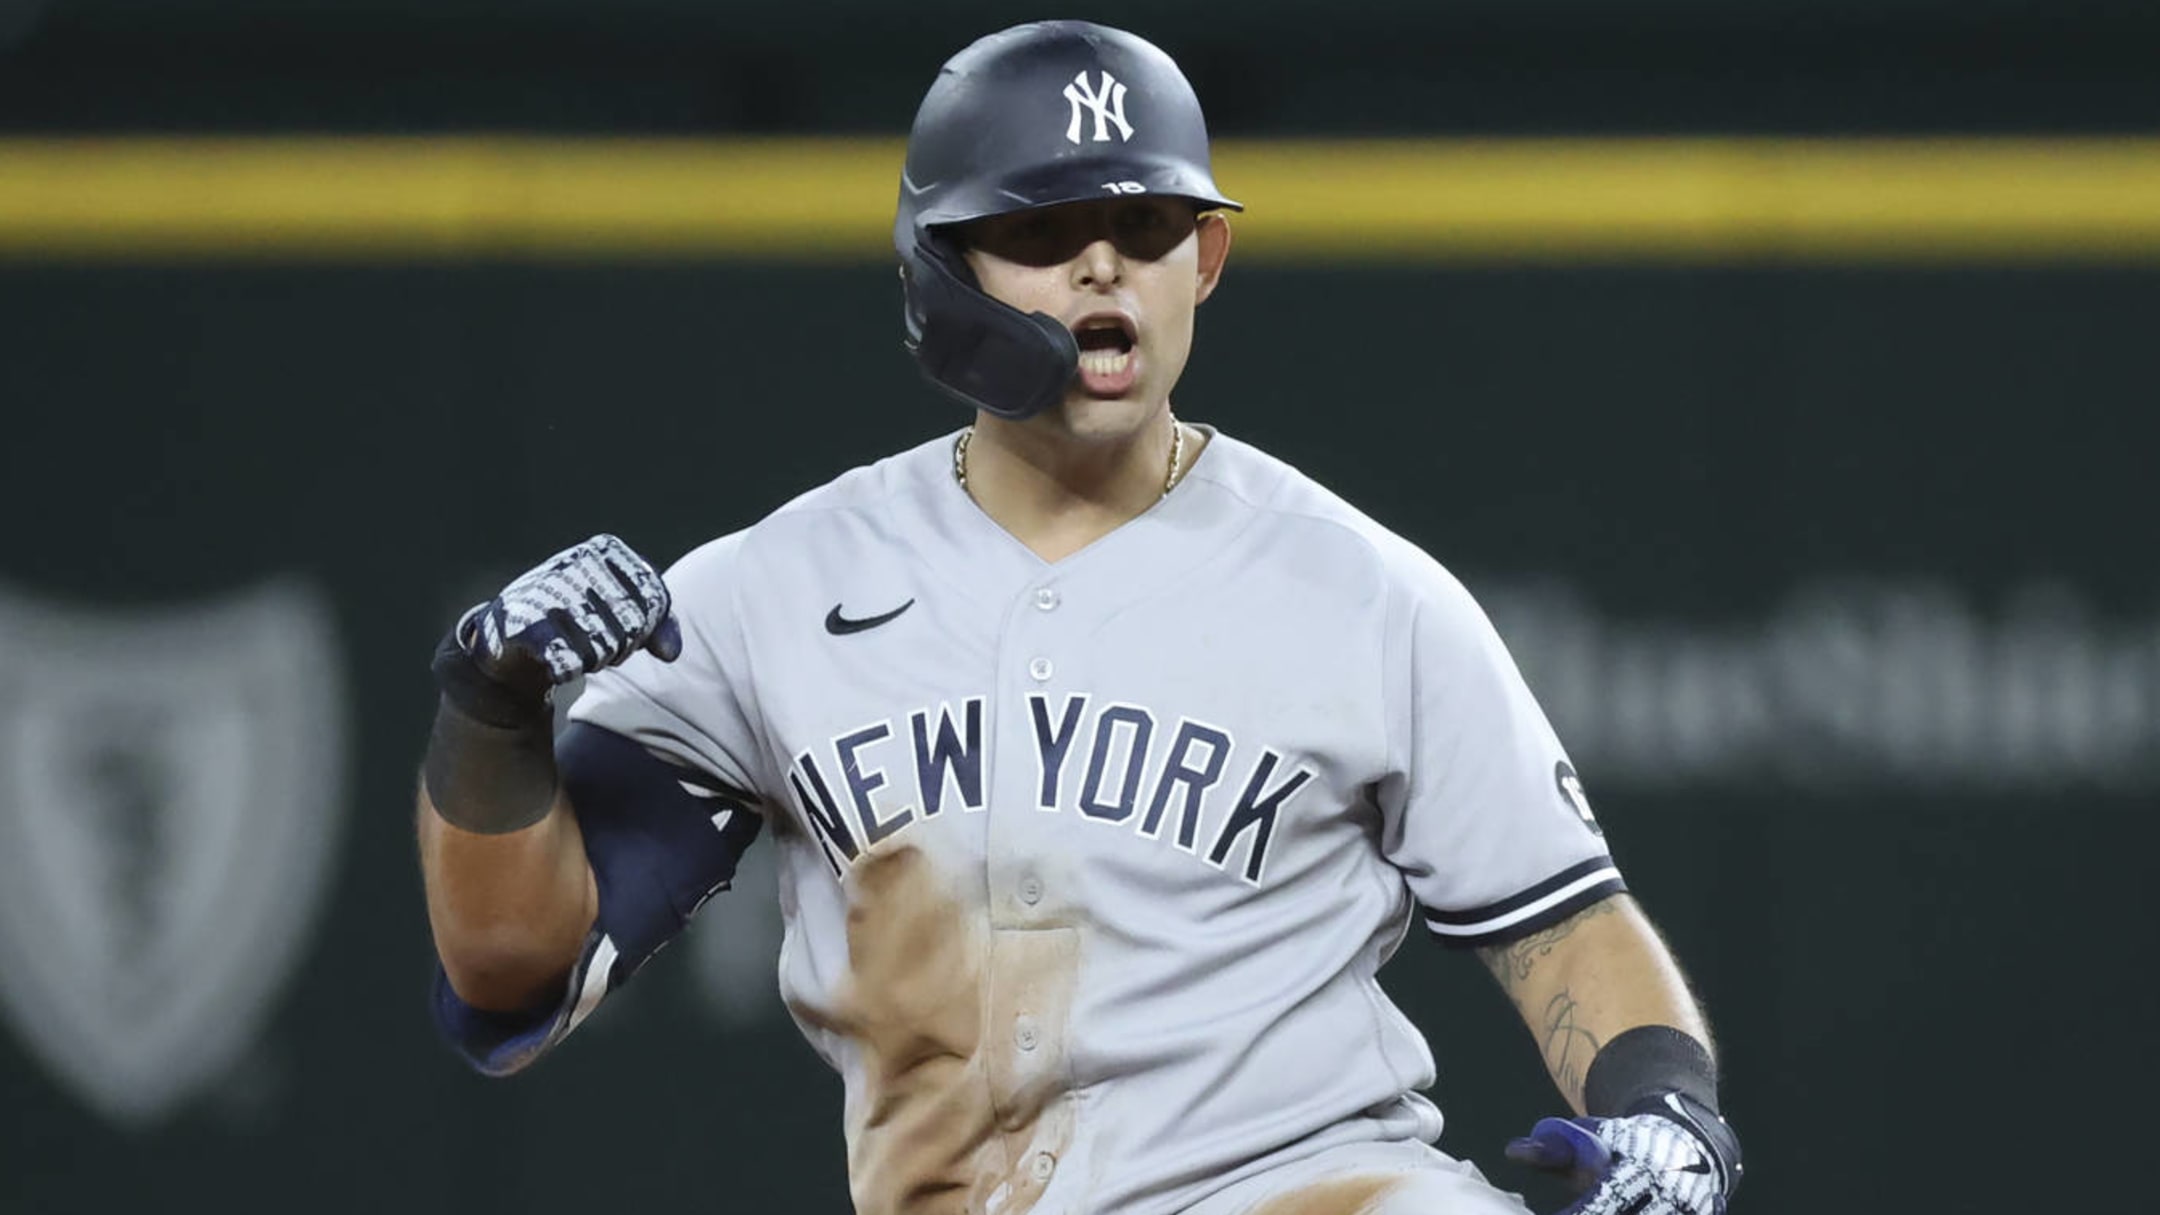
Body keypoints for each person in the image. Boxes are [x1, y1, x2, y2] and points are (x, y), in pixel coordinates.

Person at [415, 20, 1743, 1215]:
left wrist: (1668, 1113)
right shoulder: (774, 592)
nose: (1105, 261)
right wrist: (493, 716)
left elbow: (1564, 922)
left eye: (1149, 225)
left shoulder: (1364, 593)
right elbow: (507, 967)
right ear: (944, 274)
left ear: (1206, 257)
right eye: (1043, 233)